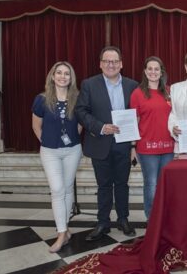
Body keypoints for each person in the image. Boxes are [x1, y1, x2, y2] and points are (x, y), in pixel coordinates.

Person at [75, 46, 138, 241]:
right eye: (106, 61)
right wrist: (101, 127)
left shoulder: (132, 85)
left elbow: (138, 116)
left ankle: (123, 219)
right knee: (103, 185)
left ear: (121, 64)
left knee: (122, 184)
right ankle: (103, 222)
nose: (111, 65)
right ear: (100, 64)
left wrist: (134, 146)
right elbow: (81, 111)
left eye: (114, 61)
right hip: (99, 141)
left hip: (124, 144)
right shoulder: (89, 84)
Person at [31, 61, 82, 253]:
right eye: (59, 73)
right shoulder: (41, 99)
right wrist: (49, 142)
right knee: (57, 189)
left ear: (71, 78)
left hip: (73, 150)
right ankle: (61, 233)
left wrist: (69, 141)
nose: (62, 76)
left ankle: (65, 228)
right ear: (52, 76)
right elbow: (36, 126)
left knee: (68, 188)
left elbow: (79, 125)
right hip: (50, 152)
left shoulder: (77, 98)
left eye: (66, 74)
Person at [130, 56, 174, 219]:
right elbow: (133, 122)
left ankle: (165, 218)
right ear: (145, 71)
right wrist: (132, 147)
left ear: (161, 72)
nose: (153, 72)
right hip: (147, 148)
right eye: (150, 69)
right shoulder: (137, 93)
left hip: (168, 147)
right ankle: (152, 220)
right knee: (152, 184)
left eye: (157, 69)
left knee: (166, 185)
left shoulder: (170, 92)